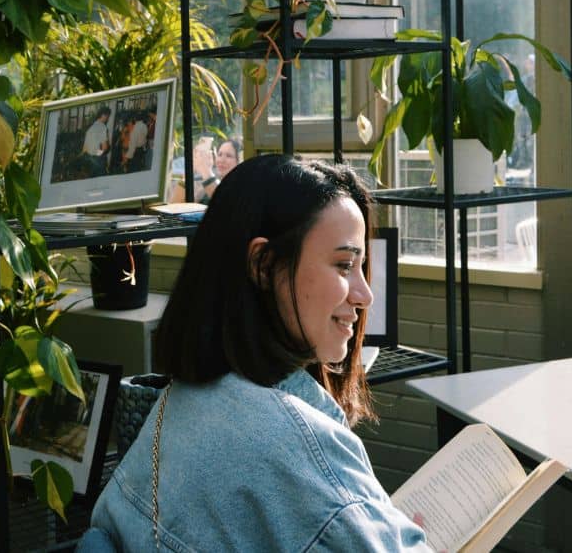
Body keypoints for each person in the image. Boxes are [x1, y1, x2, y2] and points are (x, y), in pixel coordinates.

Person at [79, 155, 429, 551]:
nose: (365, 294)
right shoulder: (291, 445)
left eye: (362, 267)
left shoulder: (181, 401)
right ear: (263, 264)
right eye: (345, 264)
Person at [81, 106, 111, 177]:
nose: (108, 119)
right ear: (103, 115)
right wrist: (97, 155)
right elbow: (104, 148)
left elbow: (84, 149)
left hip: (89, 160)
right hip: (98, 161)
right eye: (107, 116)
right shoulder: (103, 127)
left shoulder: (90, 127)